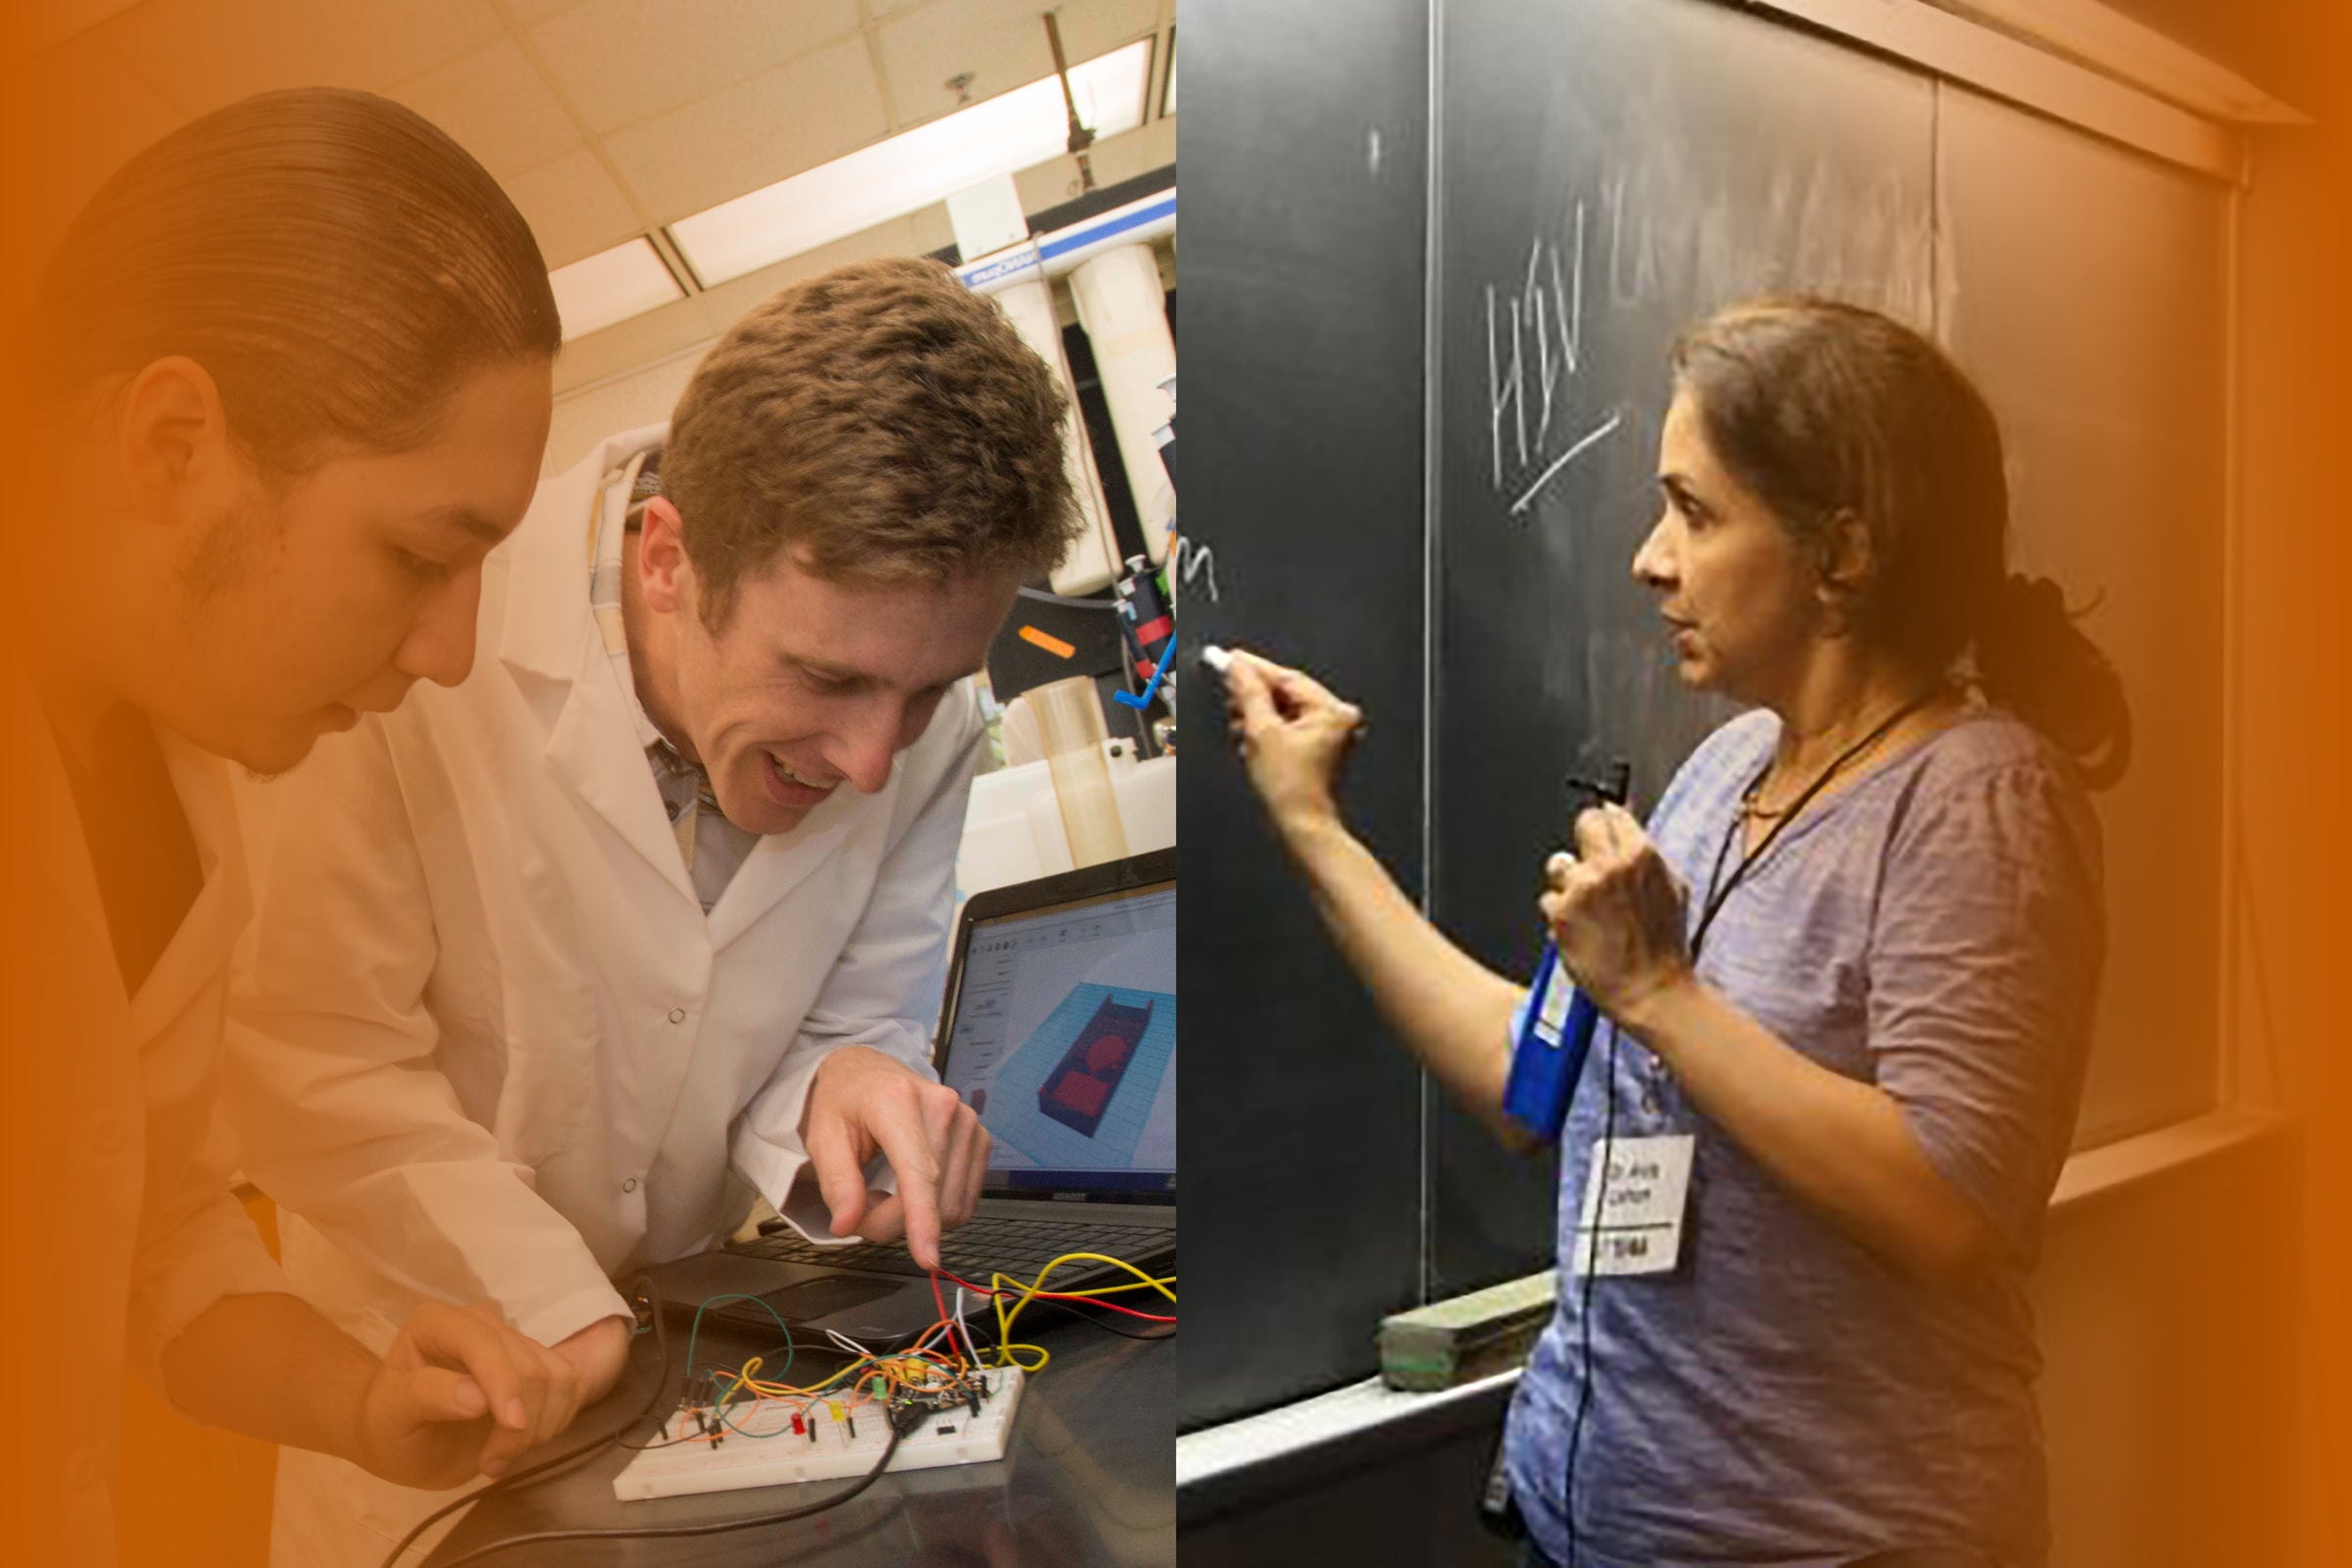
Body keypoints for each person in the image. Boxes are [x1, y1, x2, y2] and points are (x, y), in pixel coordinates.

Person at [1219, 297, 2127, 1568]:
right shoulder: (1727, 769)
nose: (1650, 558)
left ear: (1840, 553)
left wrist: (1660, 991)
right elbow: (1533, 1082)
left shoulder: (1977, 798)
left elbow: (1956, 1207)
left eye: (1694, 513)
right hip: (1584, 1523)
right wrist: (1313, 826)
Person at [220, 255, 1082, 1566]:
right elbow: (313, 1051)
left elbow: (855, 1011)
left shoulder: (923, 719)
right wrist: (558, 1299)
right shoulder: (421, 639)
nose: (869, 760)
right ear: (670, 558)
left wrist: (845, 1084)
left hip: (699, 1381)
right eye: (826, 678)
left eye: (925, 692)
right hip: (445, 1396)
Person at [0, 88, 606, 1563]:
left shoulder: (174, 774)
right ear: (171, 447)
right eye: (416, 553)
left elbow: (160, 1247)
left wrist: (358, 1399)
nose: (450, 653)